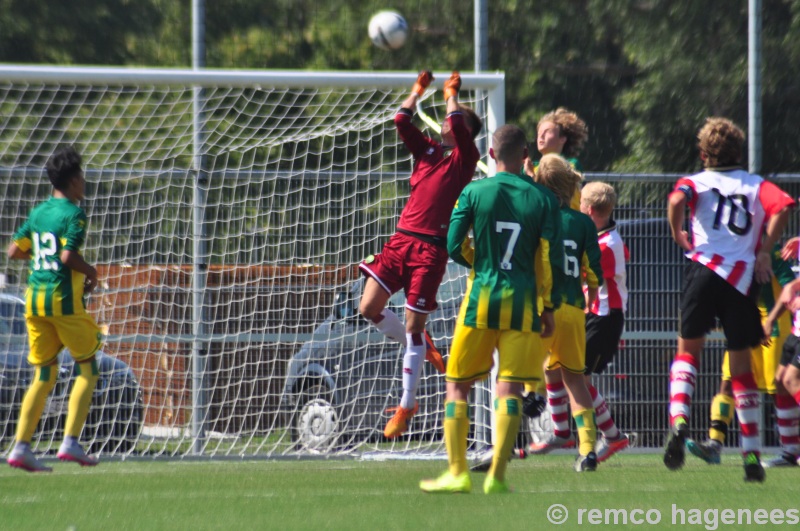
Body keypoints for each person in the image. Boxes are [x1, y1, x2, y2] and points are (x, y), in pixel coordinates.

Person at [419, 124, 562, 494]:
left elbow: (451, 244)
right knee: (510, 390)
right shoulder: (543, 199)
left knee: (457, 386)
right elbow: (548, 258)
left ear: (493, 154)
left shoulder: (473, 191)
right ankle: (497, 476)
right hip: (524, 305)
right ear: (526, 155)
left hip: (481, 299)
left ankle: (458, 472)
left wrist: (478, 260)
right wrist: (548, 307)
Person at [664, 117, 794, 482]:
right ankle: (751, 455)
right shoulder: (756, 184)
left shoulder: (696, 181)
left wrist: (677, 229)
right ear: (739, 151)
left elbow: (677, 199)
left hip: (703, 272)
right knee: (742, 371)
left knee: (688, 352)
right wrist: (766, 251)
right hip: (742, 281)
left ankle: (679, 420)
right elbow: (784, 207)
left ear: (704, 153)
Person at [358, 70, 483, 439]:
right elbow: (400, 119)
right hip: (400, 242)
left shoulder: (466, 157)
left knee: (413, 326)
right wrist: (418, 90)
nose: (445, 123)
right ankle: (423, 344)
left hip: (429, 249)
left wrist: (451, 95)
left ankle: (406, 403)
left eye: (449, 119)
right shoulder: (428, 151)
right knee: (368, 308)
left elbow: (459, 123)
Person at [6, 146, 103, 472]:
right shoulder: (74, 214)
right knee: (88, 369)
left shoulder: (38, 213)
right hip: (62, 301)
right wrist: (91, 272)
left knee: (44, 375)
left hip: (34, 301)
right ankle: (70, 442)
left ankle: (21, 447)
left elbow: (13, 251)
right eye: (83, 178)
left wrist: (38, 258)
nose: (85, 184)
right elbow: (66, 257)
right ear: (74, 180)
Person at [522, 154, 604, 471]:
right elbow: (593, 270)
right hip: (574, 308)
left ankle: (534, 394)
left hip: (546, 306)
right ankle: (587, 450)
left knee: (528, 362)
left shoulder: (539, 216)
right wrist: (593, 295)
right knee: (576, 383)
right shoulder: (583, 222)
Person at [686, 246, 800, 467]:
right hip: (745, 321)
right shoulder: (734, 249)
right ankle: (714, 444)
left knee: (780, 387)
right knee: (728, 382)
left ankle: (790, 449)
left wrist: (770, 321)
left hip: (772, 327)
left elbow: (789, 287)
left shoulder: (771, 251)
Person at [576, 181, 630, 462]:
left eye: (580, 206)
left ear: (590, 209)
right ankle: (610, 435)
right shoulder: (605, 239)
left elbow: (584, 273)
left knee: (578, 378)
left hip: (604, 318)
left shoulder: (607, 245)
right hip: (594, 315)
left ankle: (610, 436)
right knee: (574, 376)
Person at [761, 276, 800, 468]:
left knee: (791, 380)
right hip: (796, 332)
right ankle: (790, 452)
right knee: (780, 382)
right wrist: (770, 320)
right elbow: (789, 292)